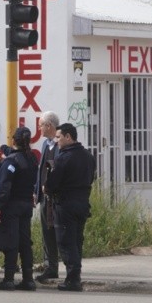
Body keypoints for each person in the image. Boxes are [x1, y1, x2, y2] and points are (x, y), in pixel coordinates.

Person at [45, 123, 96, 292]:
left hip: (66, 205)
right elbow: (91, 178)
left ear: (68, 137)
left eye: (59, 137)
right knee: (76, 241)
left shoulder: (63, 158)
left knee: (66, 242)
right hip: (82, 203)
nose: (57, 140)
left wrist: (47, 187)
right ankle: (75, 276)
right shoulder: (88, 156)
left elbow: (52, 184)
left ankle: (72, 279)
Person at [0, 127, 39, 291]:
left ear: (14, 140)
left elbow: (4, 186)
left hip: (11, 205)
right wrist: (3, 148)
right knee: (25, 242)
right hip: (26, 204)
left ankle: (8, 279)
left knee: (10, 242)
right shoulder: (32, 159)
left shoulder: (10, 162)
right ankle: (28, 279)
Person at [35, 111, 61, 283]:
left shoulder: (61, 145)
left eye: (41, 125)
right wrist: (36, 191)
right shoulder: (45, 144)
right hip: (45, 197)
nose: (39, 129)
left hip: (58, 198)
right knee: (47, 231)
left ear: (49, 126)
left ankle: (69, 267)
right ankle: (50, 266)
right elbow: (41, 169)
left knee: (60, 231)